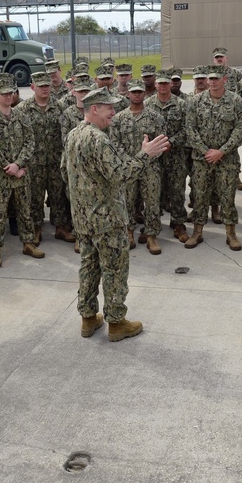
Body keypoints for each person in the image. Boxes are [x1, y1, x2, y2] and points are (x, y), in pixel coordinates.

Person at [63, 89, 169, 342]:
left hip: (84, 218)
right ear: (94, 109)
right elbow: (121, 174)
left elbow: (64, 173)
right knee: (114, 270)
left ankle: (88, 318)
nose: (113, 112)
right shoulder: (98, 139)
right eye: (108, 107)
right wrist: (146, 155)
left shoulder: (73, 135)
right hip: (107, 219)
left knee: (88, 267)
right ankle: (116, 322)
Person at [184, 64, 242, 251]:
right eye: (210, 78)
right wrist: (205, 151)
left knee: (227, 196)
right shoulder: (195, 102)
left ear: (225, 80)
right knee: (200, 195)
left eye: (216, 78)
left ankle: (231, 233)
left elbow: (240, 129)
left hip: (226, 159)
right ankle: (197, 232)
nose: (212, 82)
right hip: (201, 159)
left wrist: (221, 151)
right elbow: (190, 128)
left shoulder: (236, 102)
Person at [0, 82, 41, 268]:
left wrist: (18, 164)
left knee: (25, 210)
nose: (8, 97)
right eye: (4, 94)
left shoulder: (22, 117)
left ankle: (28, 243)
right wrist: (8, 166)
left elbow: (30, 142)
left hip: (21, 174)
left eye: (11, 94)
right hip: (0, 177)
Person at [15, 72, 72, 244]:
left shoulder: (60, 107)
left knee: (58, 195)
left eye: (47, 85)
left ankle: (60, 228)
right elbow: (19, 138)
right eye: (41, 86)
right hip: (33, 162)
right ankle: (36, 228)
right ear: (33, 87)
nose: (45, 89)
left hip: (55, 160)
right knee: (35, 197)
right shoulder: (22, 109)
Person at [110, 80, 166, 254]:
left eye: (139, 92)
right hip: (127, 168)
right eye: (133, 92)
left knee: (152, 202)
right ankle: (128, 232)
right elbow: (114, 143)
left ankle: (151, 235)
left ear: (145, 94)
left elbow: (161, 142)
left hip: (150, 168)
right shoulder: (119, 118)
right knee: (127, 202)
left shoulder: (155, 117)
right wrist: (129, 160)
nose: (136, 95)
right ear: (127, 94)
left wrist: (147, 158)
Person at [145, 70, 189, 243]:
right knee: (153, 192)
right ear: (155, 84)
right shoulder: (147, 104)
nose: (163, 86)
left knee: (177, 190)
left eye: (166, 83)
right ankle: (152, 227)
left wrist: (171, 142)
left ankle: (178, 224)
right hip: (154, 157)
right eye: (160, 83)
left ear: (171, 84)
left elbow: (188, 128)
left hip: (175, 155)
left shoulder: (182, 105)